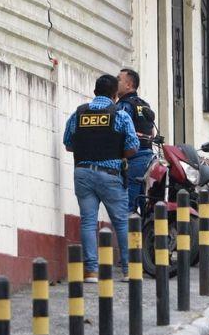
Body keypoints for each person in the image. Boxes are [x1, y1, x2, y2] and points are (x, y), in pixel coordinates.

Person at [64, 75, 139, 283]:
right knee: (121, 222)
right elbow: (133, 146)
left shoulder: (78, 114)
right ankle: (128, 270)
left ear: (95, 91)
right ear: (115, 94)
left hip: (83, 173)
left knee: (88, 222)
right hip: (111, 175)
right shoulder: (120, 115)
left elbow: (68, 143)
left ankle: (91, 272)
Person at [116, 68, 156, 215]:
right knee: (146, 206)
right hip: (149, 159)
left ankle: (129, 238)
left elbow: (119, 132)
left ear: (129, 85)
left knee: (127, 207)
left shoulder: (124, 106)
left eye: (118, 79)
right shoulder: (144, 105)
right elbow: (151, 132)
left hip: (133, 160)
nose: (116, 82)